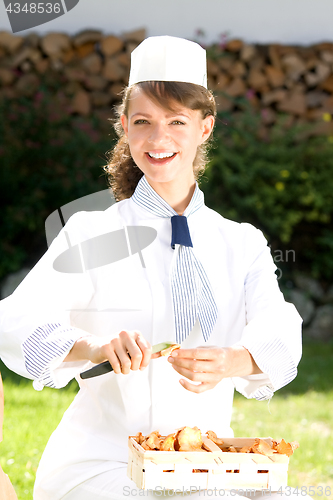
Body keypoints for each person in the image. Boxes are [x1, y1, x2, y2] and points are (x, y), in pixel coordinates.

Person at [0, 36, 307, 500]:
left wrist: (233, 360)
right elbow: (14, 322)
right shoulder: (89, 233)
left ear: (204, 129)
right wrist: (96, 347)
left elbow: (279, 327)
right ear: (124, 127)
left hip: (207, 460)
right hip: (102, 463)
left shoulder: (242, 242)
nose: (158, 139)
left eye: (176, 121)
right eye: (143, 122)